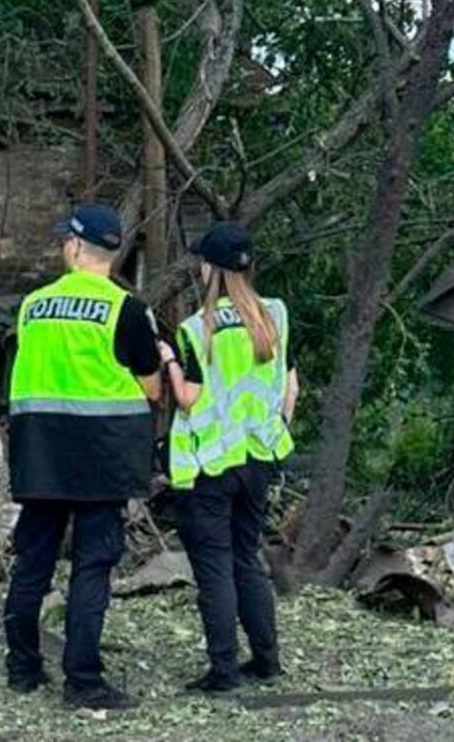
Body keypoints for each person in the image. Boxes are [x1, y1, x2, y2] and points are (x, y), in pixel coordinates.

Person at [2, 203, 163, 711]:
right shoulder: (127, 309)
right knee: (92, 569)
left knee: (32, 564)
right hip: (103, 457)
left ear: (74, 247)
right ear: (112, 254)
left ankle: (22, 669)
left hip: (41, 455)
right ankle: (83, 681)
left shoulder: (32, 305)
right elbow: (151, 387)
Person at [157, 221, 299, 694]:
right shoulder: (275, 316)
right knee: (247, 558)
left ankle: (222, 672)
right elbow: (289, 387)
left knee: (215, 567)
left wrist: (169, 359)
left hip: (209, 467)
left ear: (208, 270)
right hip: (259, 457)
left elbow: (189, 397)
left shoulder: (197, 330)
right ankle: (266, 662)